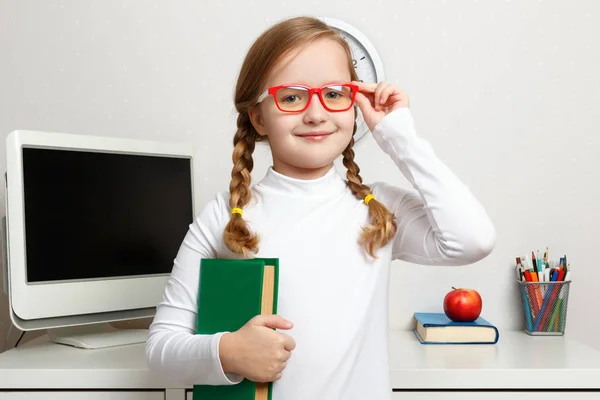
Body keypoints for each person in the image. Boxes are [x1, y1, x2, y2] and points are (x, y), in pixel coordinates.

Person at [145, 15, 496, 400]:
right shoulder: (224, 216)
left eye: (333, 93)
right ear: (259, 118)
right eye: (292, 97)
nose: (315, 113)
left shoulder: (377, 209)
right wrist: (228, 351)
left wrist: (399, 135)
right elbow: (161, 350)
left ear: (354, 105)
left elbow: (473, 239)